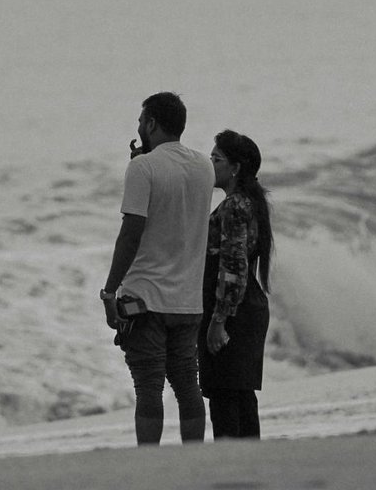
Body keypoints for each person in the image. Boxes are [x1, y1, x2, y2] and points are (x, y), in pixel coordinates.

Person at [101, 92, 215, 445]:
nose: (138, 127)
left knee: (148, 386)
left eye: (141, 121)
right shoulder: (204, 166)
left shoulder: (142, 168)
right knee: (187, 384)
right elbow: (177, 206)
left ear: (151, 124)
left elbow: (131, 233)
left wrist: (109, 291)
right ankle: (193, 458)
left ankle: (149, 461)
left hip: (146, 298)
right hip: (188, 300)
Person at [198, 129, 274, 439]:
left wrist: (219, 320)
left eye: (216, 159)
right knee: (240, 396)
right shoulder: (249, 202)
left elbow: (233, 267)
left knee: (225, 397)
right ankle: (250, 461)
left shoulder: (234, 207)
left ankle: (232, 462)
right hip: (247, 307)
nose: (210, 164)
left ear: (235, 168)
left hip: (234, 312)